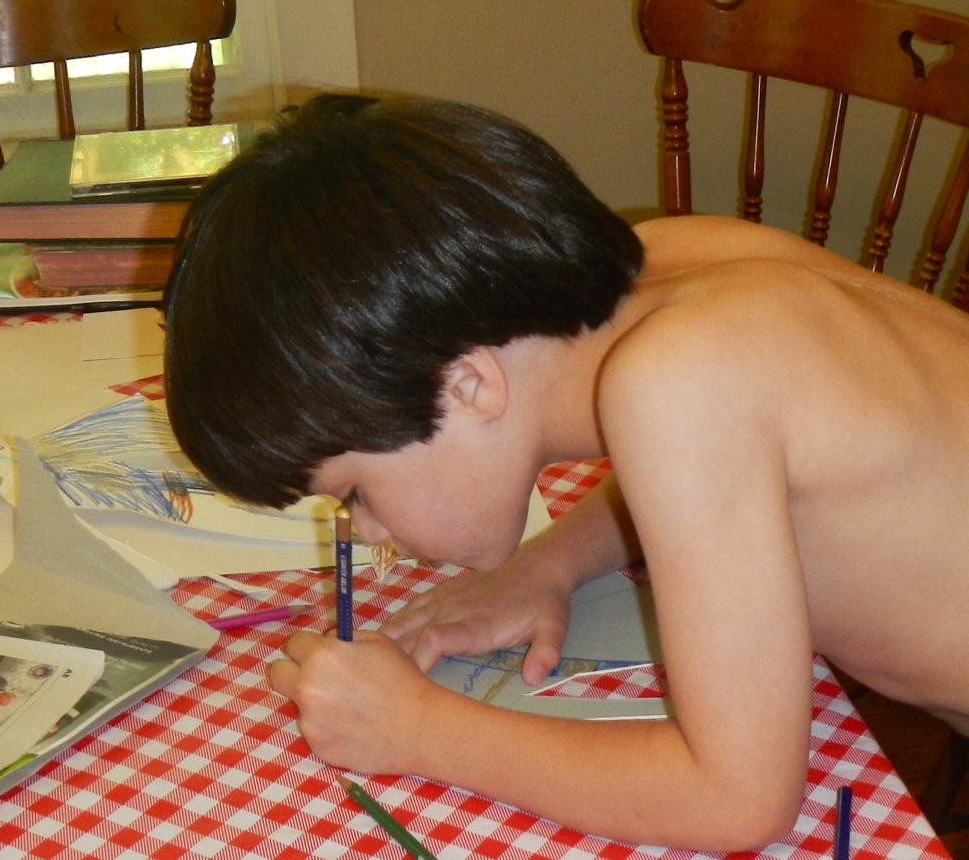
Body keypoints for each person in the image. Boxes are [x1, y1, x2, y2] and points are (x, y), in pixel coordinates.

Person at [162, 93, 969, 850]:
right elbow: (734, 468)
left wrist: (417, 729)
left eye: (355, 493)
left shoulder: (679, 383)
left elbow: (739, 799)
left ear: (467, 385)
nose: (369, 531)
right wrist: (549, 562)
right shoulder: (676, 265)